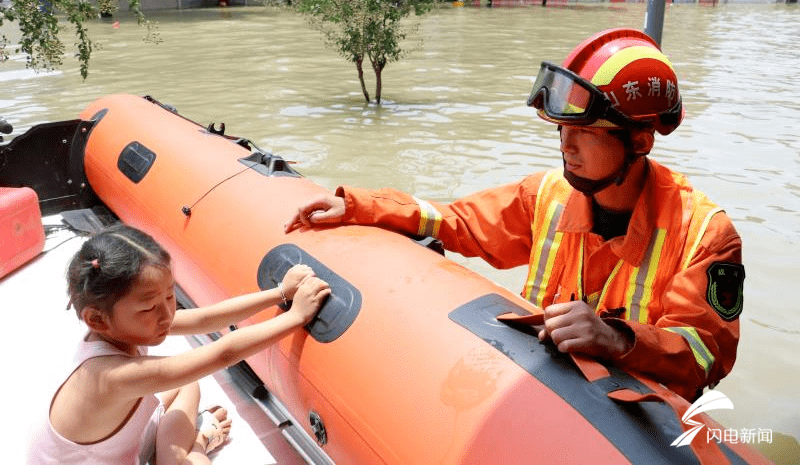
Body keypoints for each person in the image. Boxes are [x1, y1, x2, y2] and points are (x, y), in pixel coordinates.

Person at [285, 27, 745, 402]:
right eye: (562, 128)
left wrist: (616, 339)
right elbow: (457, 221)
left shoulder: (705, 234)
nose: (566, 144)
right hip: (549, 394)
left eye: (586, 132)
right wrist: (361, 206)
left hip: (641, 425)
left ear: (639, 142)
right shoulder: (546, 195)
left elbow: (708, 355)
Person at [27, 224, 330, 465]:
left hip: (114, 452)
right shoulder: (109, 376)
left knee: (188, 384)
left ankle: (168, 457)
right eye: (149, 307)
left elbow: (205, 319)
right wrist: (297, 316)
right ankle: (193, 448)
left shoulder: (125, 327)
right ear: (97, 319)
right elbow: (222, 353)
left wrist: (280, 293)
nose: (167, 313)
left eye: (170, 296)